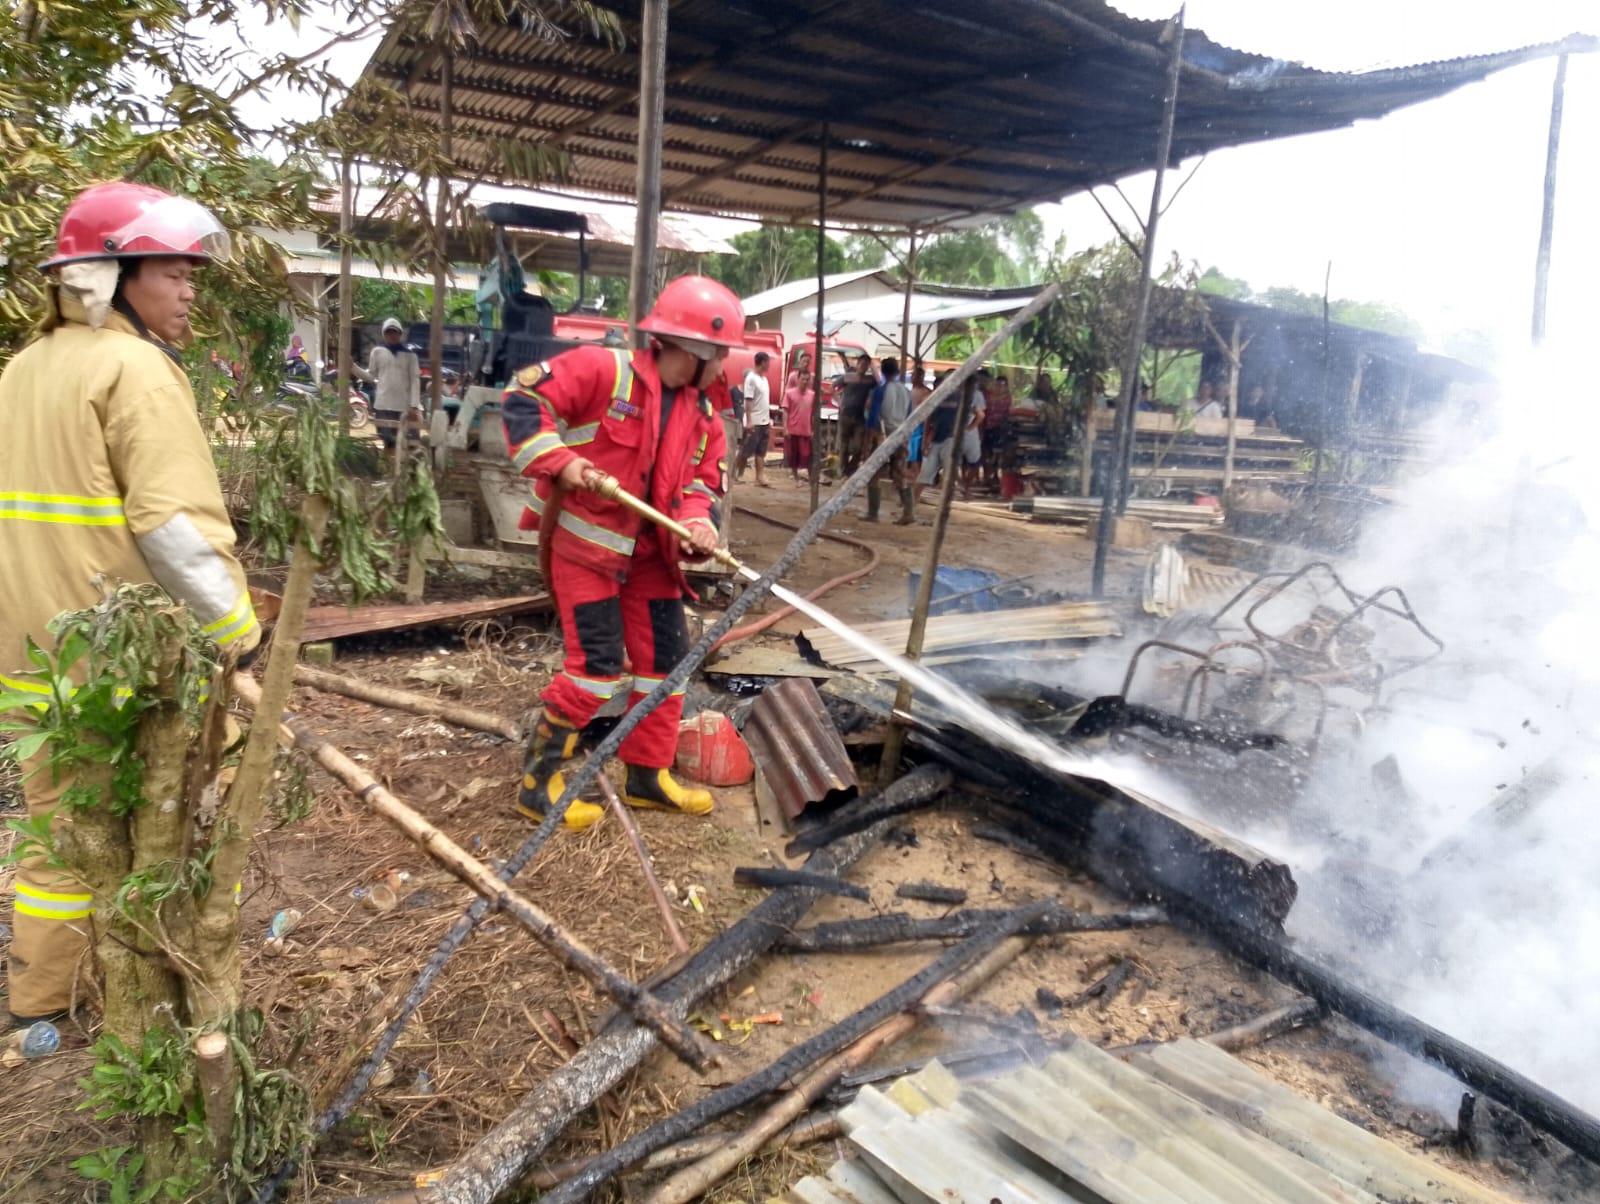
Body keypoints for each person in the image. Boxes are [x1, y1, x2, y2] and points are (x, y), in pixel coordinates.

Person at [0, 182, 261, 1027]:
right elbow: (176, 530)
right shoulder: (135, 370)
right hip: (117, 653)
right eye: (175, 274)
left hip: (30, 650)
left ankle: (42, 1001)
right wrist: (239, 640)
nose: (190, 292)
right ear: (112, 277)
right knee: (152, 826)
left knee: (56, 832)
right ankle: (138, 999)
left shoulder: (25, 366)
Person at [502, 275, 737, 832]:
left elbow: (701, 484)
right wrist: (560, 460)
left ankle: (646, 776)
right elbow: (523, 398)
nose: (724, 363)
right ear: (697, 349)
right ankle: (539, 786)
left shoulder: (703, 415)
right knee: (597, 670)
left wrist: (697, 524)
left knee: (666, 667)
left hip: (651, 562)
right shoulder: (605, 371)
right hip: (584, 551)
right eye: (720, 352)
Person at [353, 317, 422, 448]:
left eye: (394, 332)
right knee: (388, 442)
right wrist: (353, 367)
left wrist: (414, 405)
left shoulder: (410, 356)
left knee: (409, 443)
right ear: (384, 334)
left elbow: (415, 380)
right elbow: (371, 376)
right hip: (383, 405)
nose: (392, 335)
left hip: (404, 406)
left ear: (400, 334)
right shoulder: (377, 352)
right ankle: (388, 466)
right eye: (388, 332)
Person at [865, 357, 915, 524]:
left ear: (883, 372)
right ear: (897, 371)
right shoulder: (906, 392)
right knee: (900, 473)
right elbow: (909, 416)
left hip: (884, 436)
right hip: (901, 436)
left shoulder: (881, 390)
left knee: (873, 474)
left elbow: (873, 418)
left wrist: (868, 442)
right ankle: (908, 512)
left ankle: (873, 513)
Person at [916, 374, 961, 504]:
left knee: (948, 475)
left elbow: (972, 415)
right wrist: (925, 441)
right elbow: (928, 421)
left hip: (950, 439)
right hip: (935, 439)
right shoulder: (934, 399)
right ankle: (911, 505)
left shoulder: (959, 398)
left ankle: (944, 506)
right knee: (925, 474)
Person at [736, 351, 773, 487]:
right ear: (763, 362)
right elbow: (748, 400)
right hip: (755, 421)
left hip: (764, 421)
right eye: (768, 362)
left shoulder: (764, 379)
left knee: (761, 451)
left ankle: (760, 477)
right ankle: (735, 473)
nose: (769, 365)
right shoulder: (751, 379)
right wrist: (750, 420)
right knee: (746, 451)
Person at [836, 352, 876, 473]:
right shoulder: (848, 376)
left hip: (859, 417)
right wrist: (839, 402)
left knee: (858, 447)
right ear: (858, 364)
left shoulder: (869, 380)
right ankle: (843, 470)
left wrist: (874, 367)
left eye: (866, 365)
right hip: (845, 415)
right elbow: (832, 387)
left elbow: (880, 381)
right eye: (862, 364)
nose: (863, 367)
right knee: (843, 446)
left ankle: (850, 468)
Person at [783, 367, 816, 484]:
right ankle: (795, 476)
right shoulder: (789, 393)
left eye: (808, 380)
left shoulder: (812, 395)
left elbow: (813, 413)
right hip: (792, 430)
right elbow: (785, 411)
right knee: (793, 455)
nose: (805, 382)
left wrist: (813, 429)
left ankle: (807, 477)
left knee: (806, 455)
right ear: (798, 379)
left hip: (806, 431)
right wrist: (785, 428)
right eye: (803, 379)